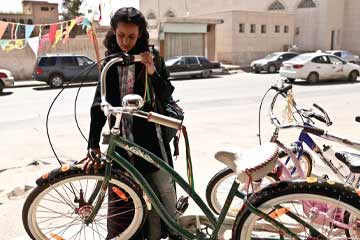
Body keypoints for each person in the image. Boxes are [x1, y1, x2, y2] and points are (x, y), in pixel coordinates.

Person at [82, 7, 178, 240]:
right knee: (128, 198)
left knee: (162, 191)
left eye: (132, 36)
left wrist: (152, 70)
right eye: (121, 35)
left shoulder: (150, 58)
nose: (125, 41)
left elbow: (166, 95)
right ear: (113, 33)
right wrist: (93, 143)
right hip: (122, 143)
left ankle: (173, 233)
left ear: (141, 34)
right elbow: (99, 106)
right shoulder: (110, 63)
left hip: (152, 139)